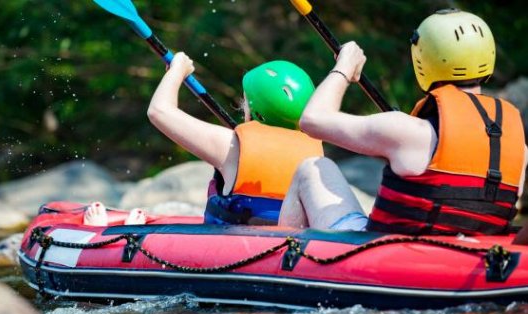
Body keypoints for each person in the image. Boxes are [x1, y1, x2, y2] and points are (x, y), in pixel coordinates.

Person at [279, 8, 528, 236]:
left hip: (388, 259)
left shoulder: (410, 131)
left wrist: (344, 67)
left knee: (311, 168)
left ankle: (279, 258)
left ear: (424, 58)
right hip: (471, 263)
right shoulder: (518, 147)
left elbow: (312, 120)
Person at [147, 52, 323, 225]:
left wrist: (177, 70)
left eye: (245, 101)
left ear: (256, 112)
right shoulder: (316, 155)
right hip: (293, 248)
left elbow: (159, 111)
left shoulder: (233, 145)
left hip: (242, 249)